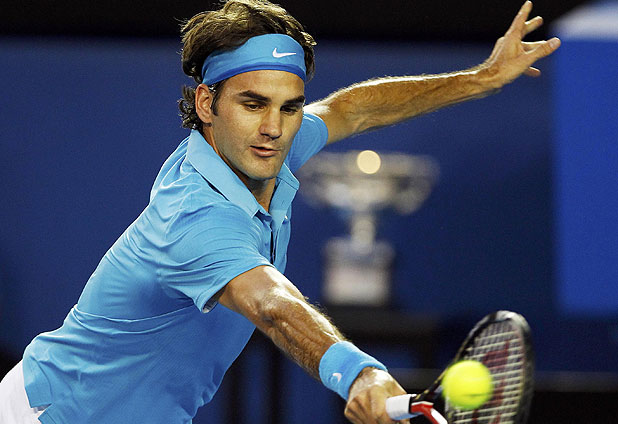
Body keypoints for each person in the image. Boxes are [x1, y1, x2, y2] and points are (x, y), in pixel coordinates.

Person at [0, 0, 559, 423]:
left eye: (290, 108)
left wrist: (481, 78)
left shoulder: (264, 146)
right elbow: (272, 306)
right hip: (52, 415)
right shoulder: (196, 216)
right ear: (206, 103)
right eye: (253, 104)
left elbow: (351, 110)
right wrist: (358, 373)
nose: (273, 128)